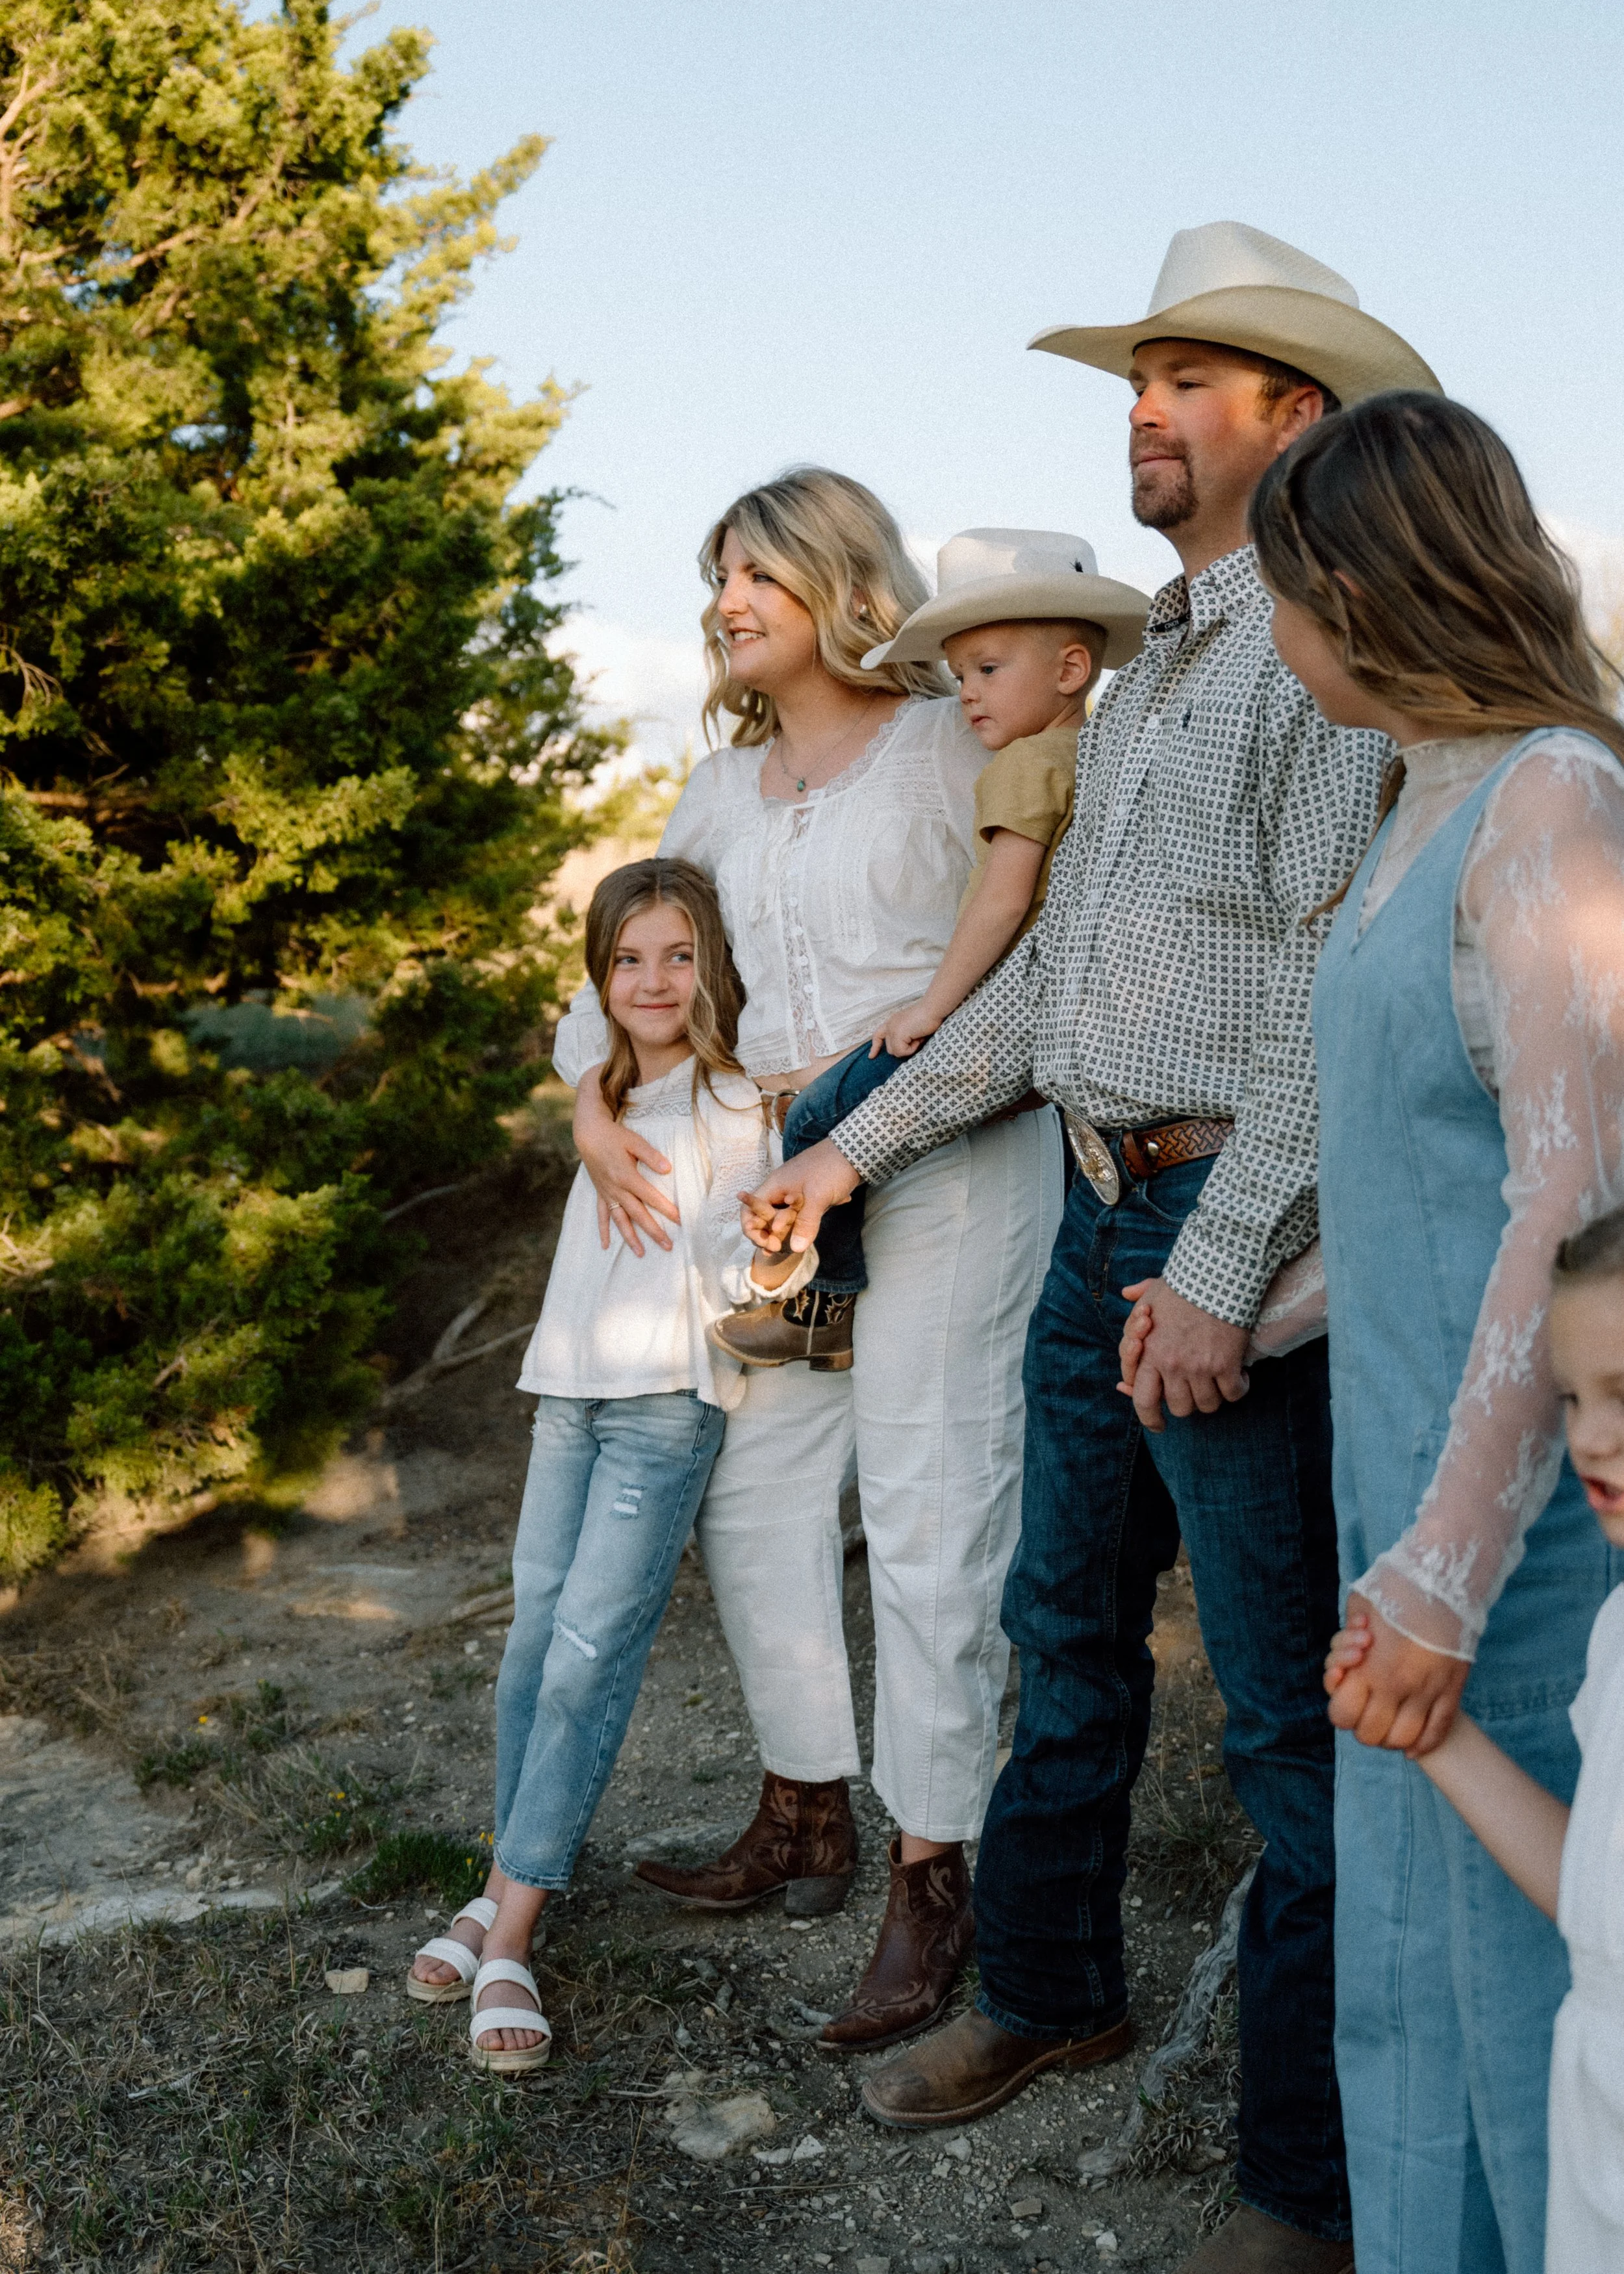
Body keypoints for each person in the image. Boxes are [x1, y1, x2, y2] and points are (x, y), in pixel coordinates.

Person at [741, 224, 1437, 2273]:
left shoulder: (1328, 658)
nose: (1135, 409)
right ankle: (1047, 1992)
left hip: (1242, 1241)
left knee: (1279, 1730)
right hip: (1087, 1215)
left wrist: (1218, 1268)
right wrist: (845, 1157)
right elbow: (1044, 999)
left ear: (1289, 421)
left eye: (1180, 379)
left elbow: (1336, 989)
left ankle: (1302, 2187)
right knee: (1061, 1637)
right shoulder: (1131, 688)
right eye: (1127, 381)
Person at [553, 467, 1065, 2051]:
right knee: (757, 1497)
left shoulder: (941, 745)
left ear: (841, 582)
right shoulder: (718, 791)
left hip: (951, 1171)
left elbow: (1024, 952)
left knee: (927, 1516)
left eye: (755, 575)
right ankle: (804, 1806)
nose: (724, 605)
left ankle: (932, 1870)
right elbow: (633, 965)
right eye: (716, 579)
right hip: (778, 1213)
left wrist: (864, 1098)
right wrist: (584, 1105)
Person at [1242, 390, 1624, 2274]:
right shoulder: (1419, 796)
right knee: (1398, 1985)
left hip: (1506, 1538)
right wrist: (1258, 1300)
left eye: (1285, 593)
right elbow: (1429, 1163)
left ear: (1370, 588)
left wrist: (1448, 1574)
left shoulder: (1551, 794)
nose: (1276, 632)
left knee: (1514, 1999)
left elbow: (1566, 1200)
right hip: (1385, 1484)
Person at [405, 858, 811, 2069]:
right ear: (602, 974)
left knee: (589, 1656)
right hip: (564, 1396)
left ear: (713, 970)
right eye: (629, 958)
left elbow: (755, 1271)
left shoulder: (739, 1104)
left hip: (666, 1408)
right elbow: (578, 1032)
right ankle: (502, 1880)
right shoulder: (601, 1088)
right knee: (534, 1639)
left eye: (679, 956)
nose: (652, 980)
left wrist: (775, 1256)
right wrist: (590, 1109)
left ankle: (515, 1935)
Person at [713, 527, 1148, 1365]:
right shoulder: (1100, 753)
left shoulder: (1024, 769)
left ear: (1069, 670)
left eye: (988, 671)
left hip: (982, 1015)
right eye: (959, 676)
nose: (968, 696)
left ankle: (824, 1299)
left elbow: (1001, 897)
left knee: (818, 1116)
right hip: (1057, 1031)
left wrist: (930, 1006)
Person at [1325, 1203, 1624, 2273]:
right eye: (1574, 1398)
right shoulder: (1616, 1633)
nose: (1591, 1437)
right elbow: (1598, 1900)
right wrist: (1432, 1741)